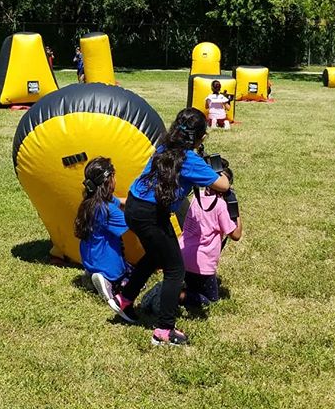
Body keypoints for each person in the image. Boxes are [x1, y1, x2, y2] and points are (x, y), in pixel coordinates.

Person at [107, 107, 230, 347]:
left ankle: (124, 298)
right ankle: (164, 330)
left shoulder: (162, 148)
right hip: (151, 215)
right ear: (201, 138)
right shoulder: (190, 160)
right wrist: (211, 168)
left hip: (134, 206)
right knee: (175, 270)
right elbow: (223, 185)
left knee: (155, 256)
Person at [179, 155, 242, 307]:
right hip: (202, 263)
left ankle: (180, 290)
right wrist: (235, 209)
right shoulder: (220, 206)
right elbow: (236, 235)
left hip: (183, 255)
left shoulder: (196, 197)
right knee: (210, 301)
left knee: (192, 285)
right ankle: (176, 295)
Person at [74, 157, 130, 303]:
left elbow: (122, 202)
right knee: (132, 278)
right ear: (109, 180)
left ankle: (92, 275)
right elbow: (133, 223)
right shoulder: (107, 209)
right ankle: (109, 283)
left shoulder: (91, 201)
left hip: (91, 259)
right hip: (108, 264)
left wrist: (137, 199)